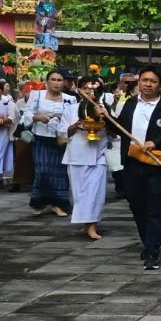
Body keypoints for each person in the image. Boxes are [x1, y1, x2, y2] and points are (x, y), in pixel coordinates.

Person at [113, 66, 161, 270]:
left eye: (152, 81)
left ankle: (153, 250)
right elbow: (118, 128)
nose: (147, 84)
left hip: (157, 164)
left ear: (160, 85)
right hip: (132, 163)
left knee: (155, 207)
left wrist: (156, 142)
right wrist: (103, 116)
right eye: (144, 80)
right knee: (137, 205)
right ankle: (147, 242)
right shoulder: (129, 104)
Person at [20, 68, 76, 217]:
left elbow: (73, 118)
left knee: (61, 172)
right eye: (53, 80)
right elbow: (27, 114)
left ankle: (59, 204)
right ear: (47, 82)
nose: (56, 83)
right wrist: (38, 118)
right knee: (43, 170)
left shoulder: (70, 99)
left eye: (59, 80)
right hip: (41, 137)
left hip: (61, 139)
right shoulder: (36, 95)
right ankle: (40, 202)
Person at [64, 77, 110, 241]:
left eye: (93, 89)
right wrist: (76, 125)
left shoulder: (103, 108)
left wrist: (105, 117)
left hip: (98, 155)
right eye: (86, 88)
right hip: (76, 156)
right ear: (79, 89)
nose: (90, 91)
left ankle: (92, 226)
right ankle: (85, 223)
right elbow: (62, 134)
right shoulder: (71, 109)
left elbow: (113, 131)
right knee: (80, 194)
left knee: (96, 193)